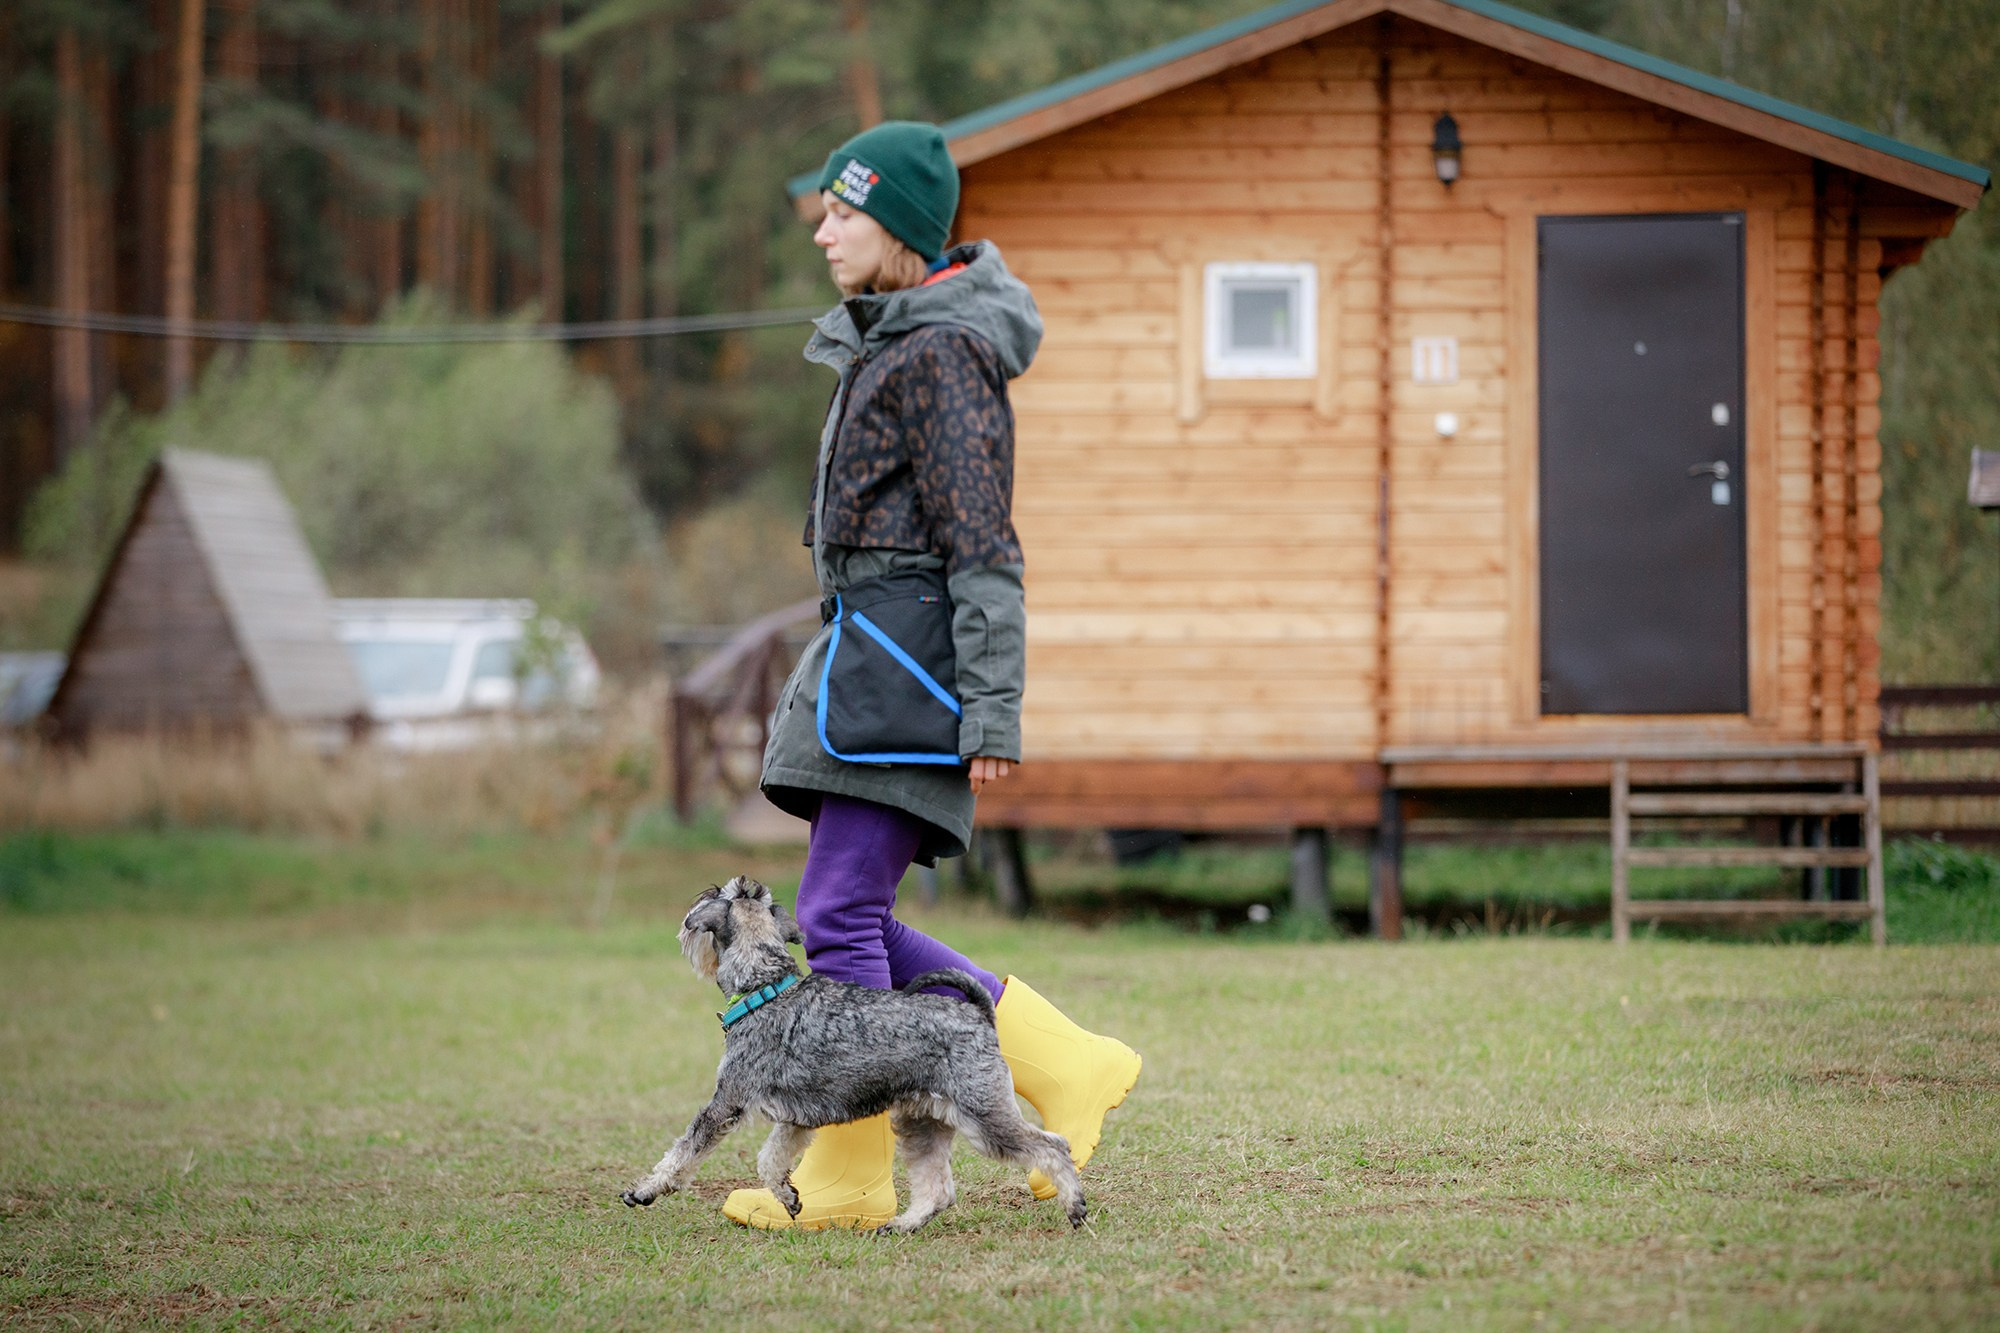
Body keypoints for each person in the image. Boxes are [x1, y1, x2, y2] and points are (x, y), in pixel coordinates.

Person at [726, 121, 1142, 1231]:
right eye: (824, 208)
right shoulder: (890, 338)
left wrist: (991, 706)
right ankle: (1068, 1063)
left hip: (909, 669)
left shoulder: (944, 352)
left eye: (844, 211)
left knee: (838, 913)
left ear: (902, 228)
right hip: (865, 654)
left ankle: (852, 1177)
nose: (822, 227)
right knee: (848, 911)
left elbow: (984, 546)